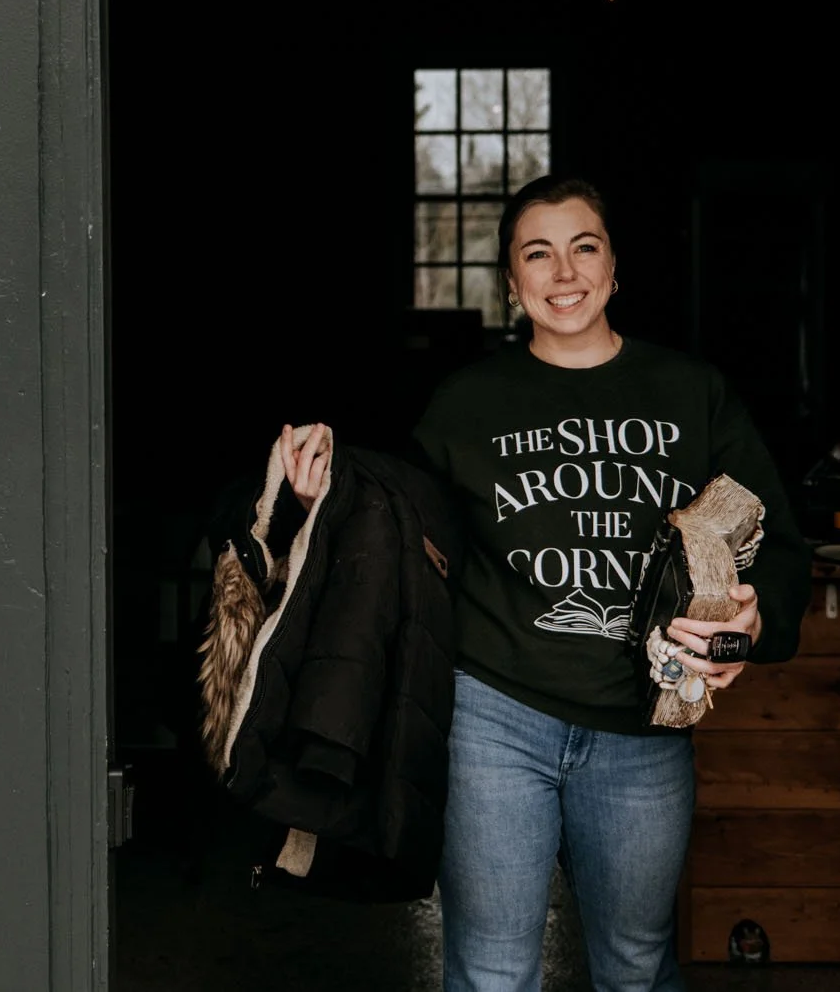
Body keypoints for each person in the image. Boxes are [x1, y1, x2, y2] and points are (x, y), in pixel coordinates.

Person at [278, 174, 811, 992]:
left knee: (634, 965)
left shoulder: (690, 392)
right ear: (513, 283)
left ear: (615, 270)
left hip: (644, 723)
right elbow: (400, 536)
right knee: (493, 971)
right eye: (539, 253)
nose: (564, 272)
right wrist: (324, 497)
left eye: (583, 247)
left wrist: (750, 623)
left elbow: (777, 542)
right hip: (496, 717)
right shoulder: (467, 402)